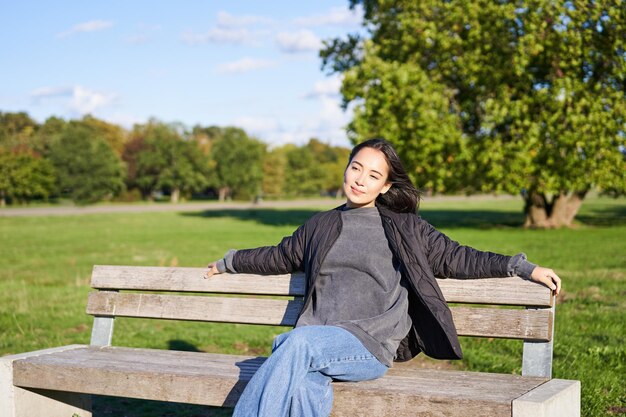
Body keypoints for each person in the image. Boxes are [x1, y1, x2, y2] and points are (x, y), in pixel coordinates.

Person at [205, 138, 561, 417]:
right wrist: (229, 261)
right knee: (304, 383)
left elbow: (459, 257)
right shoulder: (321, 225)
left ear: (387, 186)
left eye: (373, 175)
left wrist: (523, 267)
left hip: (367, 346)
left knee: (294, 345)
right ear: (346, 168)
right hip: (315, 345)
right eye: (356, 168)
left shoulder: (406, 228)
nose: (360, 179)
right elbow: (279, 255)